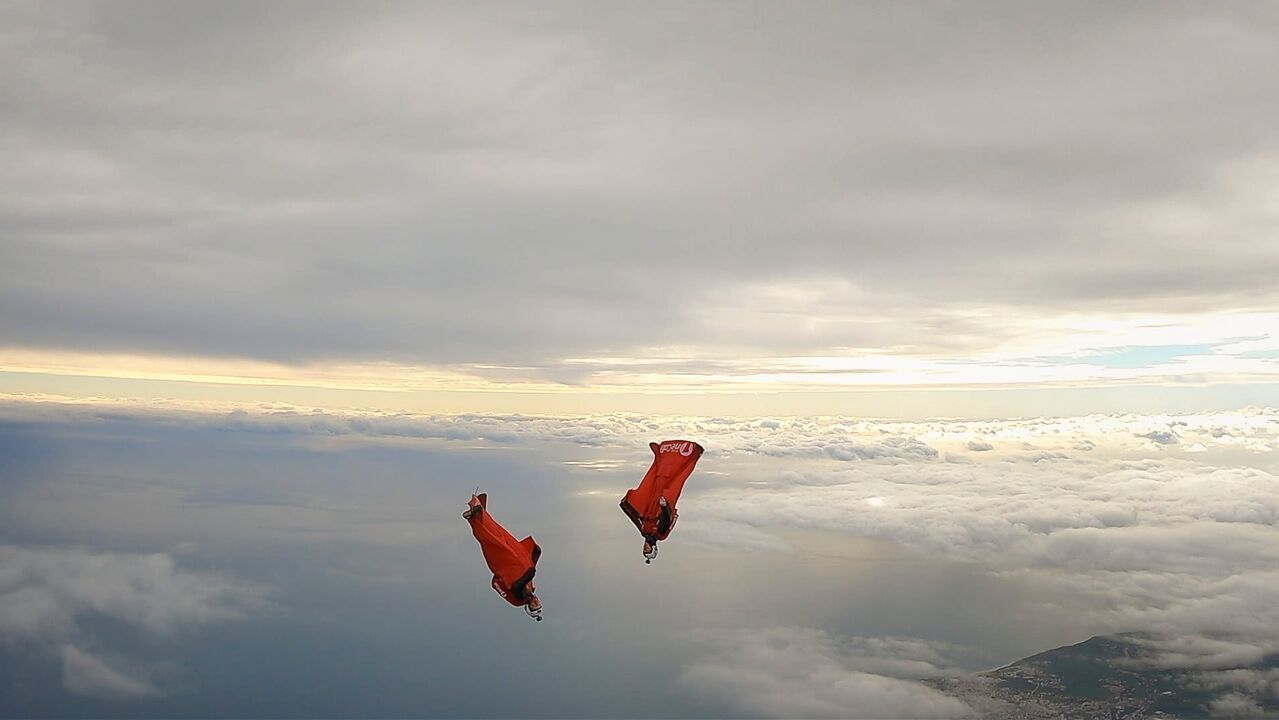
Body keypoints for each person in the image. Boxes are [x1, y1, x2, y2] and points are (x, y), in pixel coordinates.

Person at [620, 440, 704, 563]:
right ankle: (692, 455)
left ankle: (659, 458)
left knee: (655, 478)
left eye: (644, 550)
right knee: (674, 478)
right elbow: (665, 520)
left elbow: (635, 518)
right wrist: (664, 506)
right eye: (647, 550)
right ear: (653, 548)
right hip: (661, 503)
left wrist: (625, 505)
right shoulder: (660, 534)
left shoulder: (645, 532)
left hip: (653, 501)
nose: (645, 548)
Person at [463, 493, 543, 621]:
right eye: (538, 604)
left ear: (529, 607)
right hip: (515, 555)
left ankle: (475, 519)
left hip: (502, 563)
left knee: (491, 540)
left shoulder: (518, 600)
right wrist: (533, 557)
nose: (536, 602)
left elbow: (506, 586)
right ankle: (481, 513)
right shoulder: (531, 589)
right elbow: (528, 572)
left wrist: (504, 574)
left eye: (534, 606)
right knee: (499, 533)